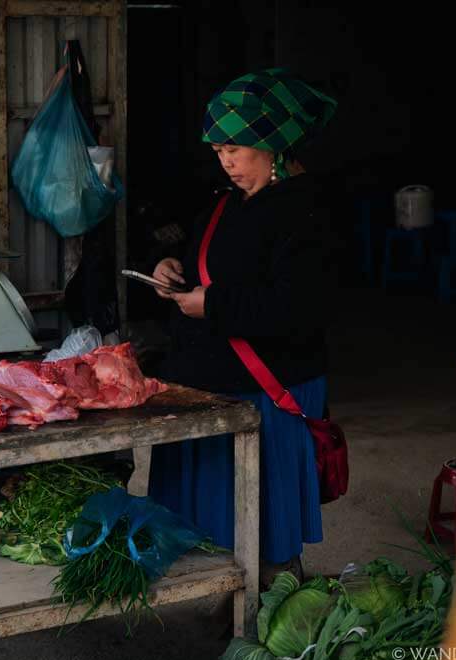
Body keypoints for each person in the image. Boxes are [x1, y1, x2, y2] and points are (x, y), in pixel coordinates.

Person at [147, 68, 336, 586]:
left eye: (236, 147)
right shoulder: (226, 202)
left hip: (267, 391)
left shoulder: (307, 212)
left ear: (273, 144)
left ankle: (274, 593)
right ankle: (229, 595)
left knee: (261, 518)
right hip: (207, 382)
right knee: (210, 524)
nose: (226, 160)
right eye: (217, 150)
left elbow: (301, 311)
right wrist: (171, 271)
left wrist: (215, 305)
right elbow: (206, 267)